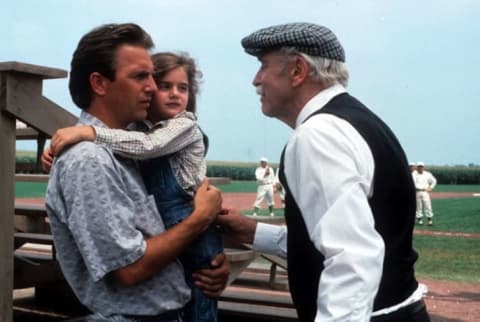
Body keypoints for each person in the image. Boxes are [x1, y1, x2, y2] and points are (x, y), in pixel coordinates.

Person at [219, 22, 430, 321]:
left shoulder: (318, 135)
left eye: (263, 66)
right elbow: (338, 236)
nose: (256, 80)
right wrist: (255, 233)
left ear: (298, 71)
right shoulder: (357, 120)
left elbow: (351, 258)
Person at [44, 23, 229, 322]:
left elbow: (154, 233)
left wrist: (206, 263)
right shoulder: (89, 160)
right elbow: (130, 269)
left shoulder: (121, 147)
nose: (154, 88)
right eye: (140, 76)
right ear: (100, 84)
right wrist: (199, 220)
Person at [414, 162, 437, 226]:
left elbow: (434, 181)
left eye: (421, 166)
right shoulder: (414, 174)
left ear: (423, 167)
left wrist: (431, 188)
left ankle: (429, 220)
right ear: (417, 167)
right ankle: (420, 220)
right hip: (417, 192)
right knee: (418, 207)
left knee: (428, 206)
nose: (420, 168)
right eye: (419, 166)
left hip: (425, 192)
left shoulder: (427, 174)